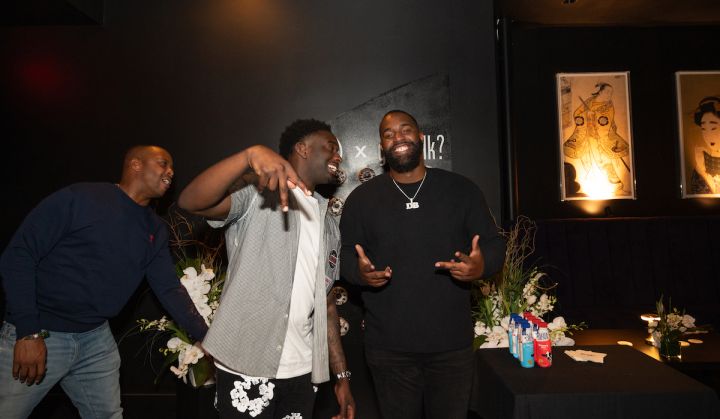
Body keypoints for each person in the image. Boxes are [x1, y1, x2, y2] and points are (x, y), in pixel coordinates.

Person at [0, 145, 209, 419]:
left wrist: (207, 337)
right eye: (163, 163)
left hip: (95, 339)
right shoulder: (81, 198)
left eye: (172, 168)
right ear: (135, 164)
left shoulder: (155, 228)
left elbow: (169, 288)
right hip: (43, 332)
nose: (170, 172)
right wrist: (28, 332)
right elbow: (19, 255)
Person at [178, 119, 355, 419]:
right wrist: (248, 156)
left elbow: (326, 304)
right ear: (302, 149)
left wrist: (341, 377)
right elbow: (191, 201)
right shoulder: (258, 191)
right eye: (330, 147)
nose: (338, 156)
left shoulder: (328, 221)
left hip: (304, 372)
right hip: (245, 362)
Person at [339, 110, 506, 419]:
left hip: (451, 345)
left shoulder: (461, 190)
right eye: (389, 134)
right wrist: (360, 273)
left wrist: (480, 266)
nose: (398, 137)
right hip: (389, 349)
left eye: (405, 130)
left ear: (421, 138)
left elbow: (494, 246)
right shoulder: (362, 200)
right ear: (381, 147)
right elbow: (346, 256)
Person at [562, 82, 630, 194]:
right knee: (590, 161)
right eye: (607, 92)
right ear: (600, 91)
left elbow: (606, 120)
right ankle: (608, 185)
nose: (609, 94)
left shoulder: (608, 105)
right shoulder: (589, 101)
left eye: (611, 92)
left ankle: (617, 186)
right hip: (588, 136)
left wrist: (595, 115)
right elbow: (577, 113)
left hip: (602, 137)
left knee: (604, 161)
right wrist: (586, 114)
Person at [690, 96, 720, 194]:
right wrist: (701, 170)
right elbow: (696, 190)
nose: (708, 135)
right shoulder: (703, 157)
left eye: (713, 128)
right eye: (703, 129)